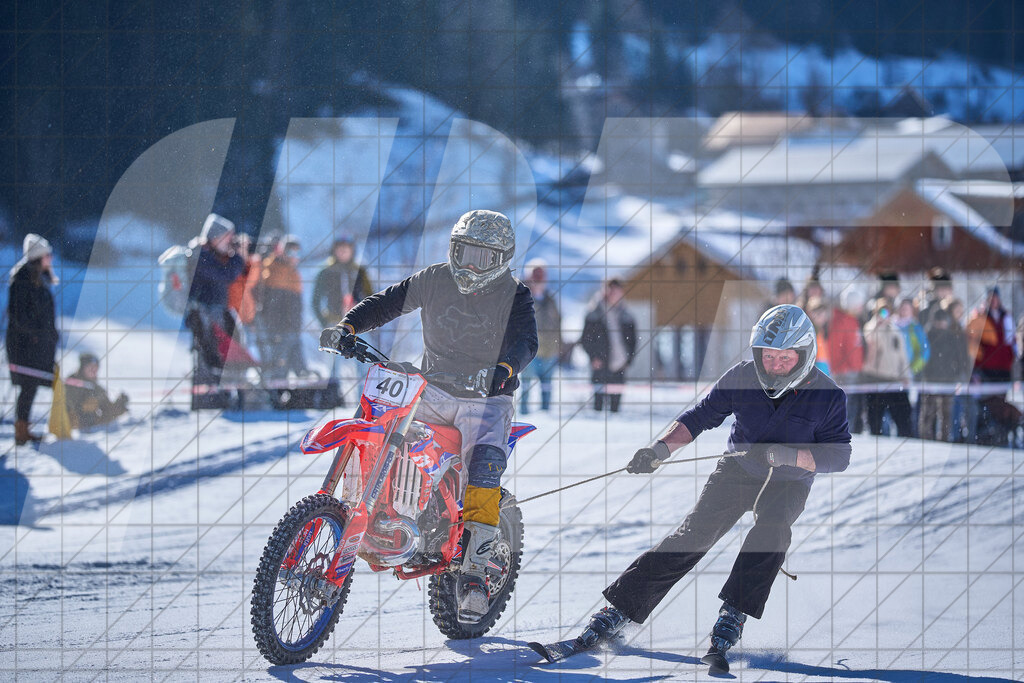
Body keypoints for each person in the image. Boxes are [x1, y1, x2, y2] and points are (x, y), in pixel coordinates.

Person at [570, 305, 850, 666]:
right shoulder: (743, 377)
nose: (775, 365)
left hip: (789, 482)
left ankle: (733, 612)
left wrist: (791, 456)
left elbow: (839, 455)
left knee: (772, 531)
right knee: (693, 536)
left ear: (804, 355)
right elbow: (700, 416)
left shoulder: (829, 395)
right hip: (738, 469)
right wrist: (659, 450)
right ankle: (619, 609)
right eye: (768, 357)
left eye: (785, 358)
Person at [324, 209, 537, 623]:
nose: (471, 264)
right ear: (452, 250)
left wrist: (504, 369)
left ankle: (474, 575)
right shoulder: (435, 278)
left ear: (502, 259)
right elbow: (387, 301)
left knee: (483, 468)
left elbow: (527, 341)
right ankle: (374, 509)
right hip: (433, 384)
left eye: (483, 256)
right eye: (465, 252)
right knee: (381, 422)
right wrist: (349, 326)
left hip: (486, 397)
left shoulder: (515, 294)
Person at [6, 234, 59, 445]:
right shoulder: (23, 279)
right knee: (28, 386)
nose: (51, 259)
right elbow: (19, 315)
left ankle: (23, 429)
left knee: (31, 386)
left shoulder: (38, 277)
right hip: (25, 346)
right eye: (48, 255)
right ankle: (21, 432)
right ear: (39, 257)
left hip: (36, 345)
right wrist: (37, 336)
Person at [186, 213, 246, 386]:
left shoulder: (212, 256)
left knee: (221, 347)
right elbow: (225, 275)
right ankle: (207, 388)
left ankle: (218, 384)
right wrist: (239, 257)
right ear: (214, 237)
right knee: (209, 350)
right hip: (204, 313)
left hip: (215, 311)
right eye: (227, 238)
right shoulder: (201, 256)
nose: (230, 242)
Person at [581, 279, 637, 413]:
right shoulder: (594, 313)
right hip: (600, 364)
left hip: (620, 365)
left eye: (617, 291)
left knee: (615, 408)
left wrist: (628, 360)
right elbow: (585, 339)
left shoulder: (627, 315)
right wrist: (593, 357)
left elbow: (633, 341)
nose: (614, 294)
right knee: (598, 407)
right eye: (611, 290)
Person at [861, 299, 913, 436]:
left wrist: (906, 375)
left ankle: (907, 440)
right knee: (875, 419)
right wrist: (877, 325)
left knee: (903, 416)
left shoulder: (895, 331)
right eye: (881, 311)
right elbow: (869, 342)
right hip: (875, 379)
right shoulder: (870, 327)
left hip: (894, 380)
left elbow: (903, 356)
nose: (885, 315)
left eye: (887, 311)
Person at [259, 234, 307, 380]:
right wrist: (275, 329)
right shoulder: (273, 269)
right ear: (281, 251)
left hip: (293, 329)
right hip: (279, 330)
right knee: (278, 371)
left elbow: (296, 306)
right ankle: (274, 400)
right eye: (290, 252)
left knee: (299, 371)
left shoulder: (294, 274)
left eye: (297, 253)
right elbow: (271, 306)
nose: (294, 256)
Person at [918, 308, 969, 441]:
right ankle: (925, 438)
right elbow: (923, 356)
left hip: (948, 380)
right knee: (928, 412)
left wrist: (958, 374)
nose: (941, 324)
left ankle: (945, 439)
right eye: (938, 321)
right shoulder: (927, 335)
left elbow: (960, 357)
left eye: (943, 321)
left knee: (946, 413)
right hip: (930, 379)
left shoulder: (952, 337)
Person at [519, 260, 561, 413]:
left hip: (549, 352)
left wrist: (558, 346)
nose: (538, 279)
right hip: (528, 353)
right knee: (525, 387)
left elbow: (558, 323)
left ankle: (546, 417)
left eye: (541, 275)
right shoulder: (521, 296)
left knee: (547, 388)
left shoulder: (551, 299)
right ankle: (523, 416)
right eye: (535, 275)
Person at [312, 237, 373, 328]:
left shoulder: (359, 271)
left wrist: (365, 316)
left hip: (357, 323)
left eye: (346, 249)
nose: (343, 252)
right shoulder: (326, 272)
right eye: (340, 249)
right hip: (333, 322)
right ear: (334, 251)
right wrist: (323, 321)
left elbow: (371, 297)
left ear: (352, 251)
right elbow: (316, 300)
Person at [829, 288, 866, 433]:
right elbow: (835, 349)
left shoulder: (853, 321)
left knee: (854, 407)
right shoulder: (840, 322)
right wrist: (842, 368)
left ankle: (851, 433)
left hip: (855, 371)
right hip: (844, 373)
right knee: (846, 407)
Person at [64, 353, 129, 430]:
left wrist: (119, 405)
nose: (93, 370)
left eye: (95, 368)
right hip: (70, 426)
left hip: (91, 426)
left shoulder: (96, 387)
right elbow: (70, 405)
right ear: (82, 368)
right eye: (90, 367)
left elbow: (108, 410)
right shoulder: (72, 382)